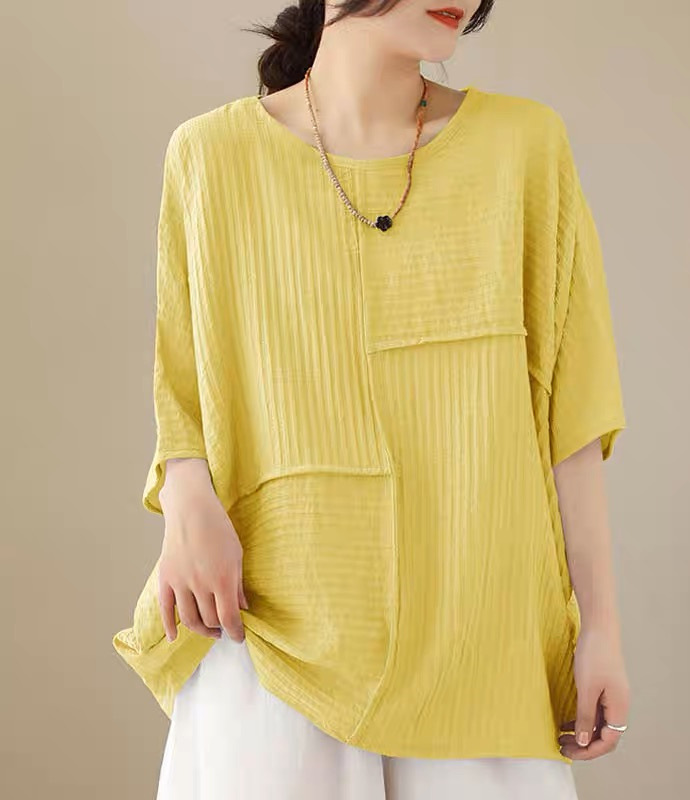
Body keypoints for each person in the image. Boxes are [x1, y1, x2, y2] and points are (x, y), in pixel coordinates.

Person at [112, 1, 631, 797]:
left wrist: (600, 628)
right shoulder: (211, 155)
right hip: (268, 629)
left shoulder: (524, 147)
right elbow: (184, 380)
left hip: (481, 634)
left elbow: (572, 414)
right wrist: (186, 499)